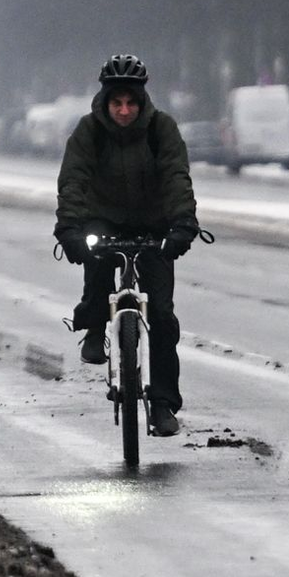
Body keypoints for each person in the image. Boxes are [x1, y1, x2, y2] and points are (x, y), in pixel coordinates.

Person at [53, 53, 200, 437]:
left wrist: (183, 224)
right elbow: (73, 179)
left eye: (130, 103)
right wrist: (69, 228)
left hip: (153, 224)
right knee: (96, 264)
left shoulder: (161, 129)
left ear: (141, 102)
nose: (123, 110)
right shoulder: (88, 131)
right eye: (116, 102)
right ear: (105, 101)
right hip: (104, 218)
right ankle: (92, 325)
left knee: (164, 317)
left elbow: (176, 176)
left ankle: (164, 403)